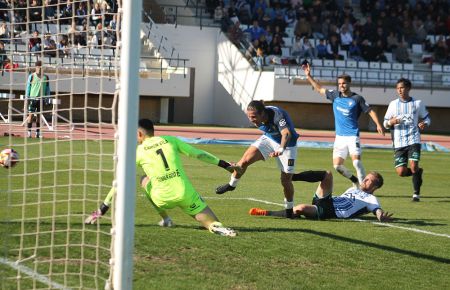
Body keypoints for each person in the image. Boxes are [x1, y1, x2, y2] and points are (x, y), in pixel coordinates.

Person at [86, 119, 240, 237]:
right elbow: (197, 153)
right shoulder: (170, 140)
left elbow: (120, 180)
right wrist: (225, 165)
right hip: (185, 193)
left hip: (162, 197)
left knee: (143, 180)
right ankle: (216, 227)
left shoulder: (138, 152)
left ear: (139, 134)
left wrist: (103, 208)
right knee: (211, 222)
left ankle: (166, 218)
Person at [302, 63, 385, 188]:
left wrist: (378, 124)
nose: (341, 86)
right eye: (339, 83)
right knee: (337, 166)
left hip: (352, 136)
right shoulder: (335, 95)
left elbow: (370, 110)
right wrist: (309, 76)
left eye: (344, 83)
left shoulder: (357, 99)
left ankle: (363, 190)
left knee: (356, 162)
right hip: (339, 137)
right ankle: (355, 180)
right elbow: (319, 89)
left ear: (349, 84)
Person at [215, 100, 300, 218]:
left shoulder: (277, 115)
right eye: (249, 116)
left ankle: (289, 211)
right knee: (243, 162)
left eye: (254, 117)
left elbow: (286, 134)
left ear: (263, 113)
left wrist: (280, 150)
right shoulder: (259, 116)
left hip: (287, 145)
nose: (251, 119)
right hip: (269, 139)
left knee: (285, 180)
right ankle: (231, 185)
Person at [249, 170, 393, 222]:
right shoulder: (353, 188)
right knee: (327, 175)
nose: (364, 180)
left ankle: (265, 212)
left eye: (369, 181)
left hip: (332, 212)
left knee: (299, 209)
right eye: (365, 178)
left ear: (374, 187)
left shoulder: (371, 198)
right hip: (328, 201)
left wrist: (380, 216)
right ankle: (292, 177)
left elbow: (376, 210)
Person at [383, 78, 431, 202]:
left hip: (413, 139)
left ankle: (416, 194)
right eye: (397, 88)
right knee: (401, 172)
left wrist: (424, 124)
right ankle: (418, 173)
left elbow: (427, 118)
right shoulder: (393, 104)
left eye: (402, 88)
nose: (399, 90)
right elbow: (385, 123)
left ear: (408, 88)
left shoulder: (418, 103)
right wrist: (390, 122)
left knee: (413, 165)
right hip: (398, 142)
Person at [25, 61, 50, 138]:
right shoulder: (31, 76)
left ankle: (37, 133)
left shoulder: (46, 77)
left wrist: (47, 98)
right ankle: (29, 132)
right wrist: (27, 97)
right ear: (36, 67)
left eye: (41, 67)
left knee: (39, 116)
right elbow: (28, 87)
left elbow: (47, 89)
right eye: (38, 67)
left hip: (41, 99)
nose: (40, 68)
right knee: (31, 115)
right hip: (33, 98)